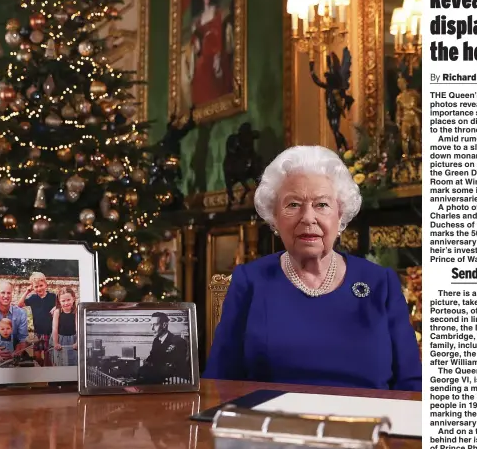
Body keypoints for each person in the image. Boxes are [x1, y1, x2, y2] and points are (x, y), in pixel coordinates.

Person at [203, 145, 422, 391]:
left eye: (322, 205)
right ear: (275, 217)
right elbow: (219, 381)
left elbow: (411, 383)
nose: (308, 217)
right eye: (293, 204)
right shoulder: (250, 281)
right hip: (273, 424)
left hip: (366, 425)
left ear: (340, 216)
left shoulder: (380, 283)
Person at [138, 312, 190, 384]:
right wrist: (143, 363)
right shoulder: (156, 340)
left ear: (164, 325)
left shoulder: (178, 341)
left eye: (155, 325)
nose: (152, 328)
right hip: (158, 377)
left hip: (173, 381)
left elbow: (173, 367)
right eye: (151, 325)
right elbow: (151, 357)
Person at [18, 272, 56, 367]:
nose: (39, 288)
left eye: (41, 285)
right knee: (37, 356)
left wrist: (56, 308)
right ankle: (42, 365)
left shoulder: (52, 296)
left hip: (49, 332)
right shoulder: (33, 298)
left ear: (46, 284)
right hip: (37, 332)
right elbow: (20, 304)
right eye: (36, 287)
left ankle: (48, 372)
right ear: (33, 288)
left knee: (49, 356)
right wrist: (27, 291)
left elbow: (60, 305)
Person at [51, 287, 77, 367]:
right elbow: (55, 328)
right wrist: (55, 343)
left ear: (73, 299)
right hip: (60, 339)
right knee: (60, 361)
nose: (66, 303)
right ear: (59, 301)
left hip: (73, 339)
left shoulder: (76, 312)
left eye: (68, 300)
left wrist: (77, 342)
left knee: (74, 360)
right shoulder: (57, 312)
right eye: (63, 301)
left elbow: (78, 328)